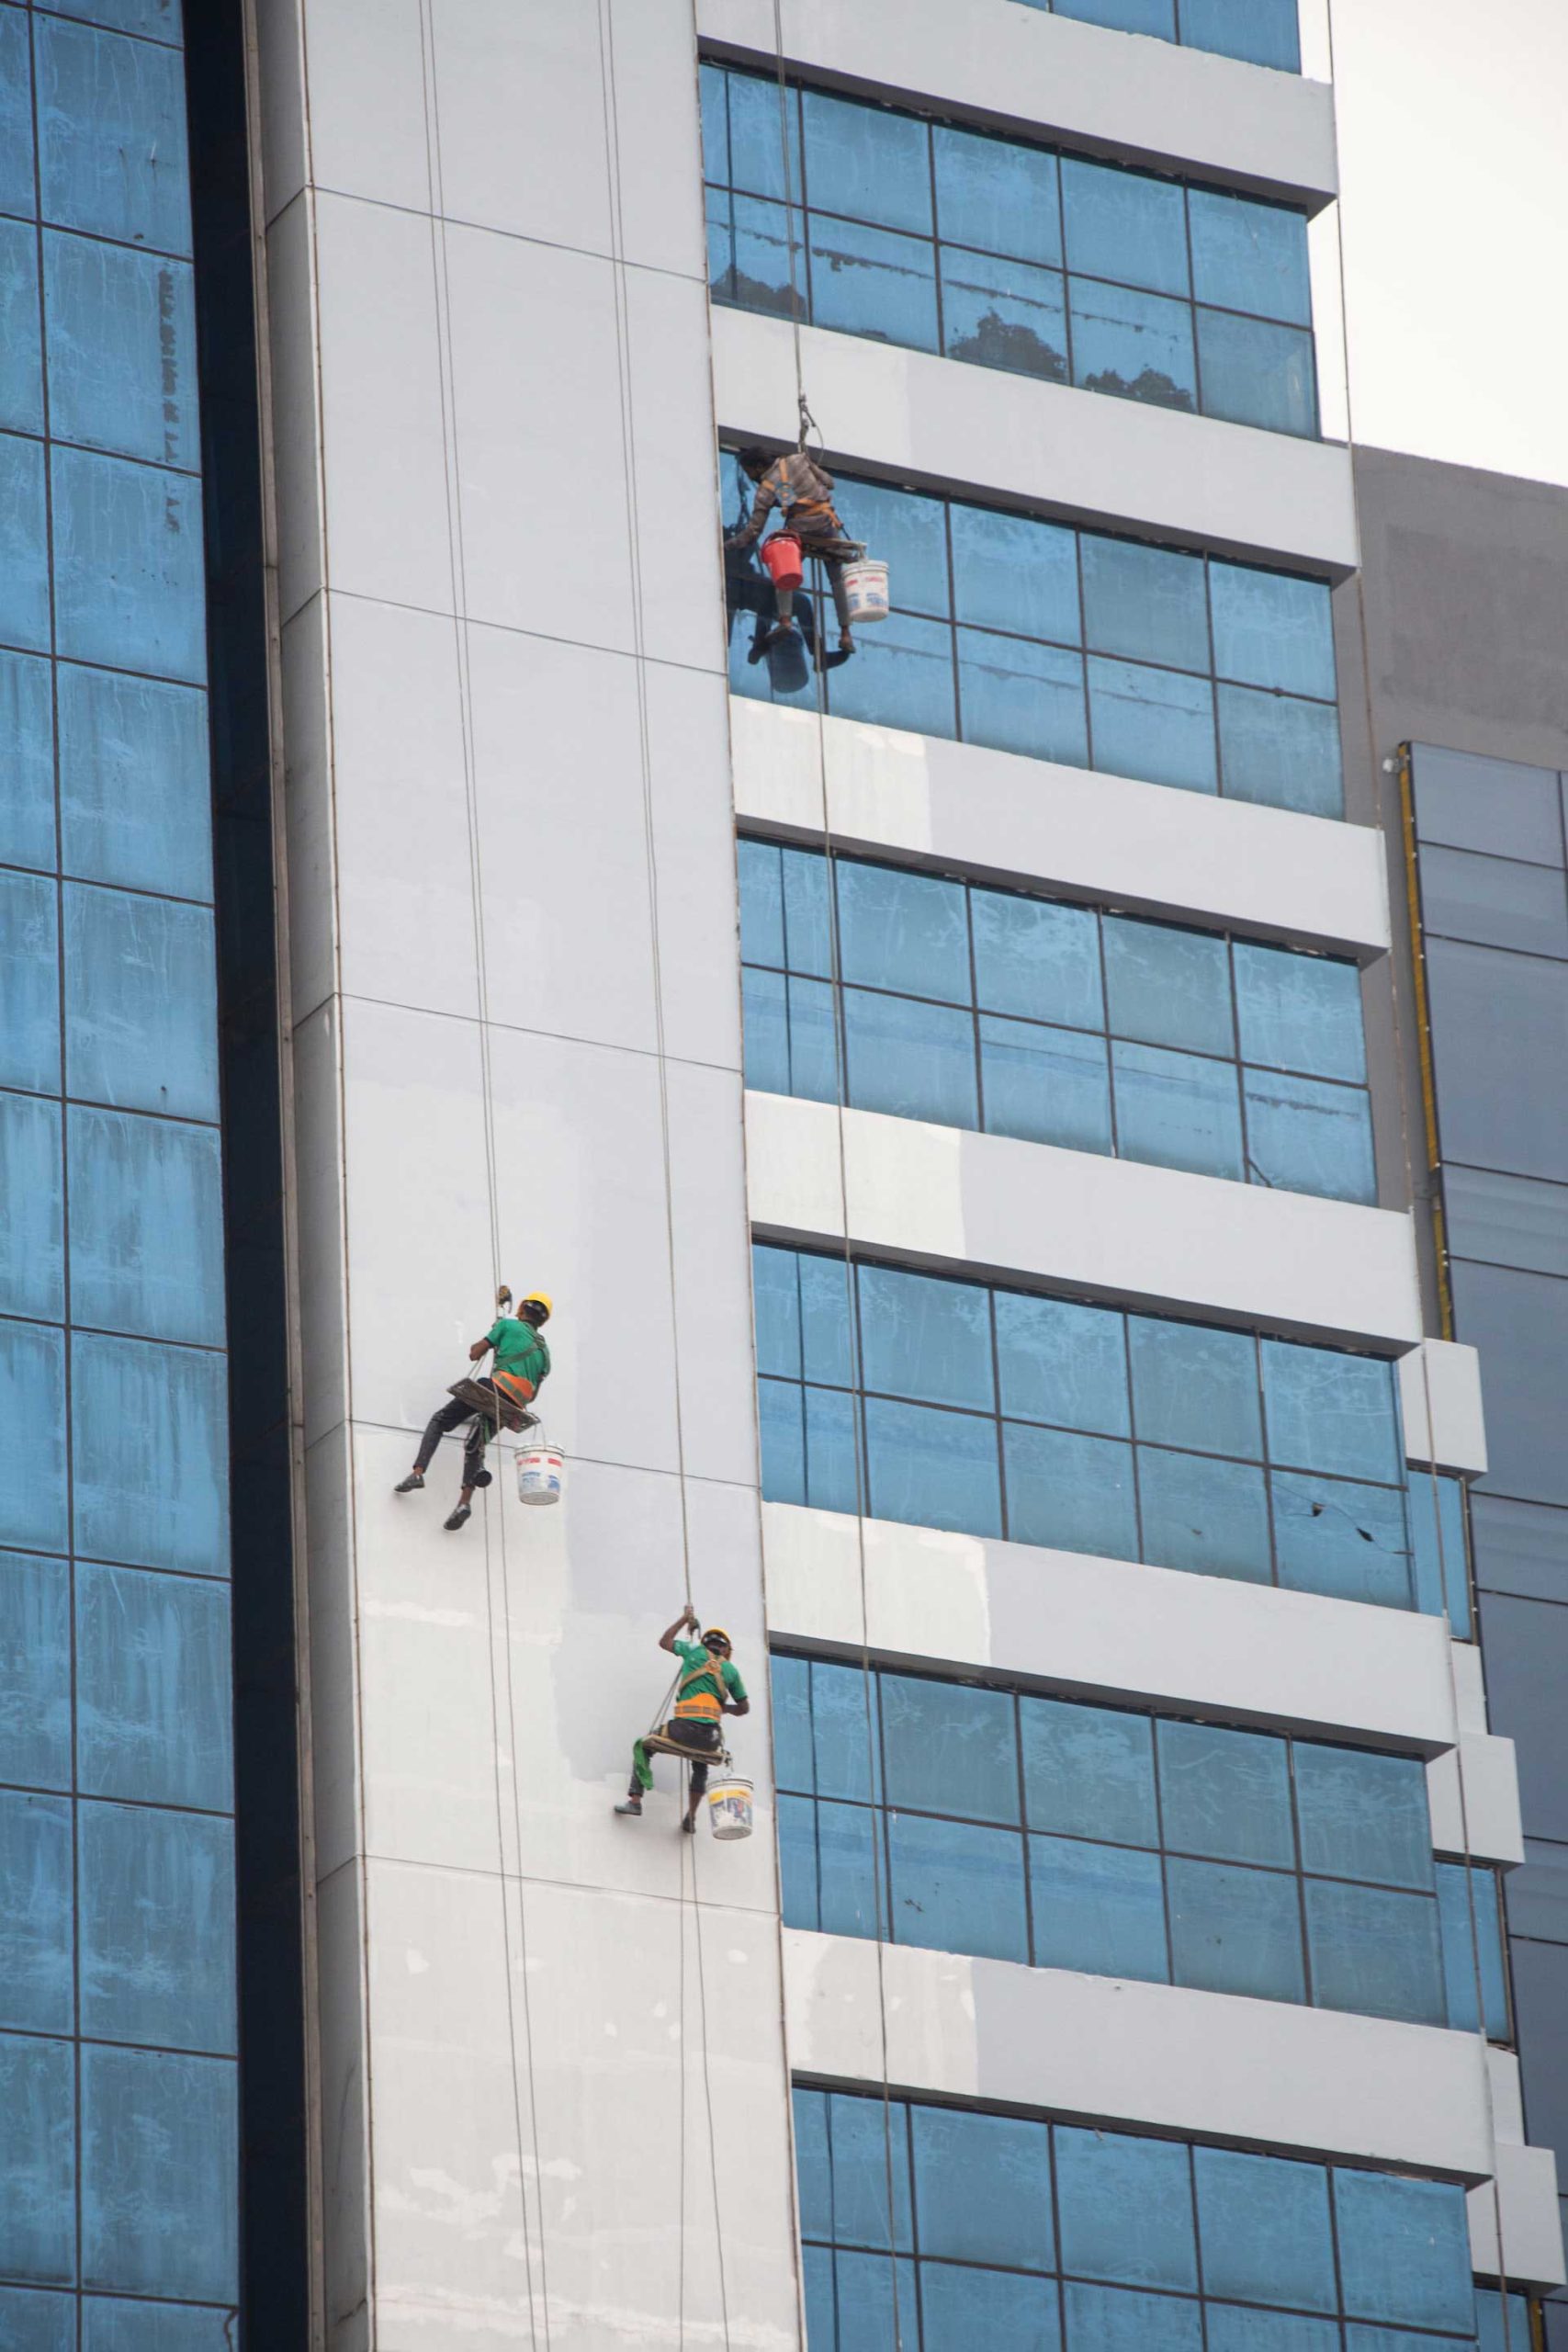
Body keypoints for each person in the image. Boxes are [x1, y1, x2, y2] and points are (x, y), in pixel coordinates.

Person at [394, 1292, 551, 1532]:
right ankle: (464, 1504)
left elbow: (474, 1354)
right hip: (513, 1408)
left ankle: (417, 1472)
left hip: (494, 1390)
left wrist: (494, 1336)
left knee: (439, 1421)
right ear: (542, 1321)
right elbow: (535, 1390)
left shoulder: (508, 1325)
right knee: (476, 1445)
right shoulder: (545, 1352)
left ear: (521, 1311)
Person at [615, 1606, 749, 1834]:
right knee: (701, 1765)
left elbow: (665, 1642)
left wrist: (683, 1619)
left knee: (644, 1745)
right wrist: (721, 1708)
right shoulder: (731, 1671)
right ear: (726, 1650)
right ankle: (691, 1818)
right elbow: (744, 1708)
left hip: (682, 1730)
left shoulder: (693, 1651)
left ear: (705, 1643)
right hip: (710, 1739)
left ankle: (635, 1801)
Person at [726, 447, 859, 662]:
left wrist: (728, 545)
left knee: (783, 571)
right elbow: (830, 482)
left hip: (801, 531)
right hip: (827, 527)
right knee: (836, 580)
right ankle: (846, 634)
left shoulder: (766, 490)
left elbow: (753, 532)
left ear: (758, 466)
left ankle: (785, 620)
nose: (751, 477)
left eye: (749, 471)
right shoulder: (798, 460)